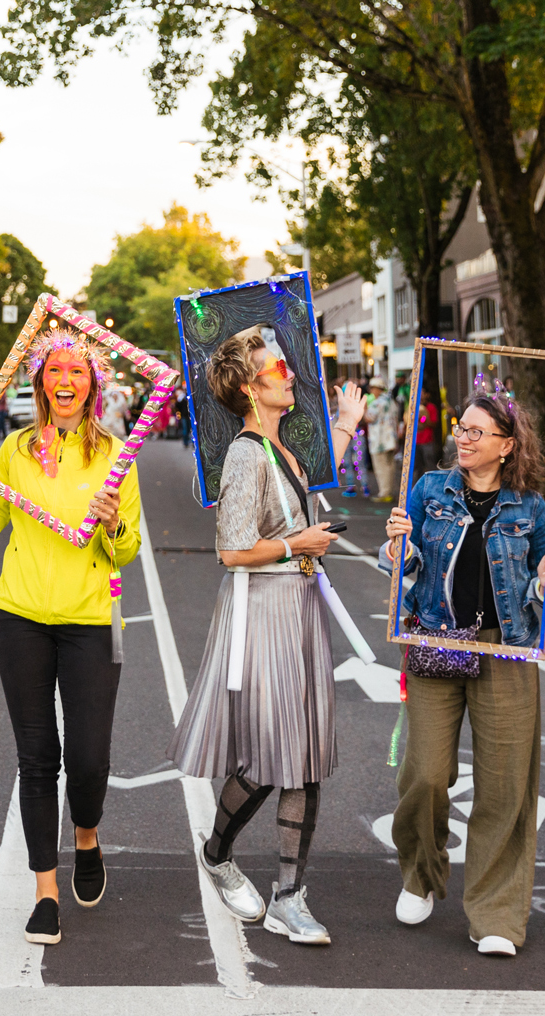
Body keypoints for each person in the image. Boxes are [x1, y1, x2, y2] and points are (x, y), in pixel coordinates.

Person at [167, 324, 364, 946]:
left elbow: (295, 499)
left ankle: (288, 896)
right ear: (252, 388)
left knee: (302, 758)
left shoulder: (282, 451)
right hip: (265, 610)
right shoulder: (246, 453)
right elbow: (231, 549)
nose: (288, 371)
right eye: (276, 366)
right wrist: (297, 542)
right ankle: (218, 850)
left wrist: (346, 426)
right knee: (269, 757)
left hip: (299, 607)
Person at [0, 328, 141, 946]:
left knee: (89, 759)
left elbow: (127, 549)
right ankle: (45, 891)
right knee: (38, 760)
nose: (65, 381)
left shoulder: (118, 454)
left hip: (90, 620)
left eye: (77, 373)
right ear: (40, 383)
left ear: (93, 385)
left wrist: (111, 526)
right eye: (55, 371)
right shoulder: (15, 449)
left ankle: (87, 834)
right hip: (22, 617)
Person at [381, 389, 545, 956]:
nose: (463, 437)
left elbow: (540, 598)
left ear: (507, 446)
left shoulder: (532, 507)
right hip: (439, 639)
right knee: (426, 774)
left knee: (506, 786)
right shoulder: (429, 490)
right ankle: (421, 874)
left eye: (477, 431)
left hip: (505, 651)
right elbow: (406, 569)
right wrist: (395, 551)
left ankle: (496, 916)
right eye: (461, 428)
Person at [365, 377, 399, 502]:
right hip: (391, 439)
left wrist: (363, 409)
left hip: (378, 440)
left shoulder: (377, 402)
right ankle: (389, 490)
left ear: (376, 389)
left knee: (381, 467)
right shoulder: (391, 401)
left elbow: (369, 418)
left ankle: (384, 492)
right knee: (390, 466)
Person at [413, 388, 440, 482]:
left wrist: (424, 418)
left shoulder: (431, 407)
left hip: (427, 441)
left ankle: (433, 483)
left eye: (422, 394)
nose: (420, 396)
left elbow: (434, 423)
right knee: (417, 467)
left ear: (426, 395)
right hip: (416, 441)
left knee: (430, 464)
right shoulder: (413, 407)